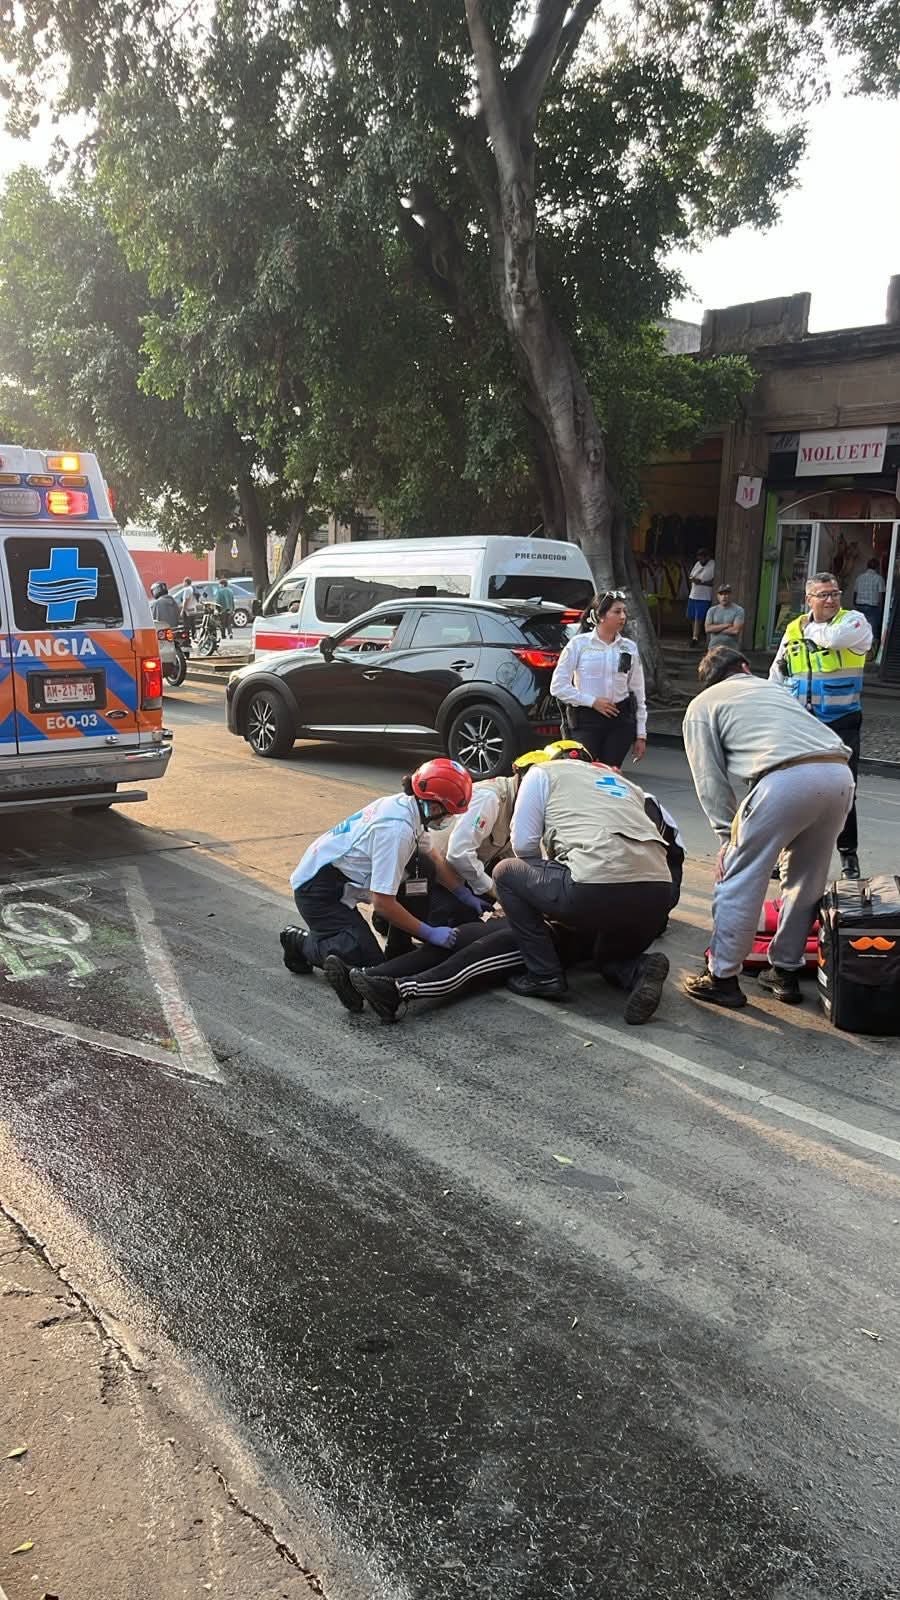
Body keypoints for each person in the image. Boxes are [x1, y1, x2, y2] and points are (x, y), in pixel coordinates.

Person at [682, 646, 853, 1008]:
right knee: (807, 878)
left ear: (708, 683)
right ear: (744, 667)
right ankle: (786, 970)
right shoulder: (773, 690)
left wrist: (728, 837)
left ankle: (722, 976)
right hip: (838, 774)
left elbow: (710, 781)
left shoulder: (703, 705)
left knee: (742, 876)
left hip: (785, 780)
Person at [491, 742, 673, 1015]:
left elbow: (524, 846)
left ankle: (544, 974)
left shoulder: (542, 773)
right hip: (658, 895)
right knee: (606, 957)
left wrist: (546, 892)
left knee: (505, 872)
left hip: (593, 886)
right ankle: (640, 968)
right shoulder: (624, 784)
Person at [281, 758, 486, 974]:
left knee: (423, 866)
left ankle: (399, 945)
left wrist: (463, 893)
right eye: (450, 813)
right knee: (367, 963)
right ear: (434, 806)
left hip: (342, 879)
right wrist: (429, 933)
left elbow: (433, 857)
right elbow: (382, 903)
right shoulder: (396, 831)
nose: (450, 818)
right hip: (318, 891)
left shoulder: (410, 808)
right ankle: (300, 942)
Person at [769, 571, 872, 879]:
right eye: (823, 595)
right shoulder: (793, 628)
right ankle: (785, 855)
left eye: (834, 593)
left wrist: (807, 628)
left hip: (841, 722)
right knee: (793, 791)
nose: (830, 599)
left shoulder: (853, 622)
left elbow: (833, 639)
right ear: (808, 599)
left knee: (844, 791)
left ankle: (848, 856)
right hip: (802, 723)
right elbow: (778, 671)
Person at [549, 591, 647, 767]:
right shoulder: (579, 645)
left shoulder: (629, 647)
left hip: (620, 720)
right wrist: (592, 702)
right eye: (617, 612)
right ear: (600, 616)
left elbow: (638, 692)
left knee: (610, 772)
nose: (623, 616)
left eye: (624, 611)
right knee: (585, 772)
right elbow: (558, 686)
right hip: (587, 720)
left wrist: (641, 734)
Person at [853, 559, 886, 650]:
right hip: (872, 607)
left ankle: (857, 650)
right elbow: (881, 595)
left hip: (859, 605)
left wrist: (855, 603)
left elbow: (855, 592)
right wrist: (882, 607)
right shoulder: (879, 578)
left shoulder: (859, 577)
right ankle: (870, 652)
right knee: (872, 630)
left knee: (859, 628)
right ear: (877, 567)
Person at [688, 549, 716, 646]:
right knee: (692, 616)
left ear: (707, 557)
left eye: (702, 558)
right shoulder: (697, 564)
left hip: (704, 596)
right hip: (693, 594)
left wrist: (702, 582)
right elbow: (691, 576)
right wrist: (693, 580)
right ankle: (694, 636)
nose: (700, 560)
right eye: (699, 558)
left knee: (698, 617)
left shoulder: (713, 565)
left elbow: (714, 581)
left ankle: (695, 638)